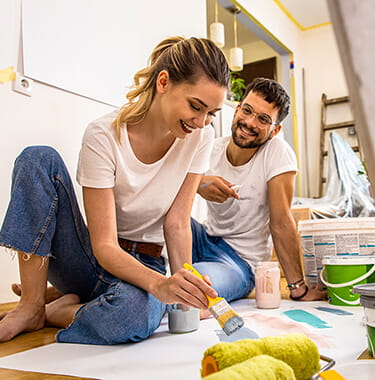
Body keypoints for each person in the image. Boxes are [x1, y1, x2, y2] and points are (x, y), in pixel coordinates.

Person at [0, 36, 230, 344]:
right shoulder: (103, 135)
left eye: (211, 113)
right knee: (37, 158)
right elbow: (105, 246)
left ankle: (57, 309)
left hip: (146, 261)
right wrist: (160, 288)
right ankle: (31, 305)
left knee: (129, 317)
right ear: (163, 82)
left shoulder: (200, 138)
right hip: (90, 257)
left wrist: (182, 290)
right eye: (196, 106)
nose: (202, 122)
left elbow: (176, 223)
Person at [190, 77, 326, 305]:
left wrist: (298, 288)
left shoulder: (277, 153)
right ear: (236, 110)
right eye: (247, 111)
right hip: (204, 239)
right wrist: (199, 184)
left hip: (239, 262)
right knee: (165, 210)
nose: (250, 123)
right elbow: (170, 188)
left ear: (275, 130)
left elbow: (281, 222)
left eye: (263, 119)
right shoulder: (211, 148)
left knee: (194, 284)